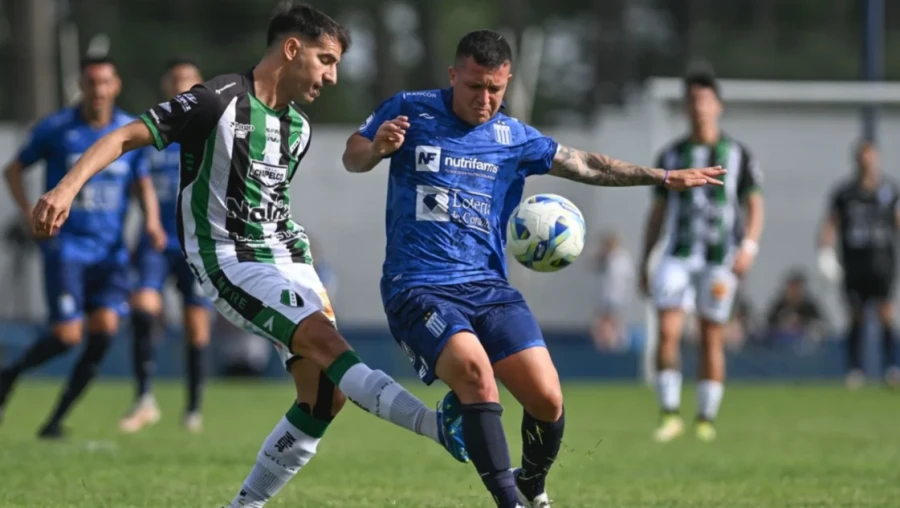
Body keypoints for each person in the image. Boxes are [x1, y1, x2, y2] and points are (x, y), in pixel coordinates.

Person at [29, 4, 466, 507]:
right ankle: (440, 428)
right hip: (229, 262)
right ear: (291, 48)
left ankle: (244, 504)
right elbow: (126, 135)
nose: (332, 75)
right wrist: (64, 189)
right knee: (328, 346)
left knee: (325, 398)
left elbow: (270, 200)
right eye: (326, 60)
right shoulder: (214, 101)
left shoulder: (297, 129)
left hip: (288, 259)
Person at [342, 30, 725, 508]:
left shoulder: (512, 137)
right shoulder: (410, 109)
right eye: (474, 87)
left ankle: (531, 486)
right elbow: (352, 157)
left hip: (489, 288)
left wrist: (662, 176)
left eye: (495, 90)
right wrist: (377, 146)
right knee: (477, 375)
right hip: (419, 285)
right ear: (453, 75)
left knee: (547, 399)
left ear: (507, 83)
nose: (485, 99)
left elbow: (586, 164)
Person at [0, 56, 166, 438]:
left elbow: (141, 182)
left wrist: (152, 221)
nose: (98, 91)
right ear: (82, 86)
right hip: (68, 248)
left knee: (105, 329)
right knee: (67, 336)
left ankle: (56, 419)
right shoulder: (58, 129)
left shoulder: (129, 130)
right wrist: (29, 214)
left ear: (116, 85)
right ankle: (8, 374)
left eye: (105, 82)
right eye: (92, 83)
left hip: (111, 253)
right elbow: (13, 169)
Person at [639, 69, 764, 443]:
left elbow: (755, 205)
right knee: (667, 330)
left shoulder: (738, 154)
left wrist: (749, 248)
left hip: (719, 258)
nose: (699, 107)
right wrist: (646, 257)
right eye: (693, 101)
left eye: (705, 100)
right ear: (685, 108)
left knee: (712, 336)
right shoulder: (672, 155)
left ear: (718, 106)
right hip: (677, 256)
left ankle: (706, 418)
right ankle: (670, 413)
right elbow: (657, 213)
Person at [119, 58, 212, 434]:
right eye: (175, 81)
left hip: (194, 245)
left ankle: (193, 408)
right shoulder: (150, 133)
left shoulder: (210, 132)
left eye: (188, 82)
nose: (181, 88)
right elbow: (135, 181)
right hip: (155, 241)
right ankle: (144, 399)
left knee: (195, 326)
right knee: (142, 307)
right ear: (165, 86)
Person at [818, 140, 899, 389]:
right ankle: (855, 369)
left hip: (882, 263)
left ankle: (891, 367)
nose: (868, 161)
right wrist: (825, 254)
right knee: (856, 316)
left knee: (885, 314)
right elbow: (830, 224)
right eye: (863, 157)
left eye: (871, 156)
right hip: (854, 263)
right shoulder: (845, 193)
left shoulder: (888, 190)